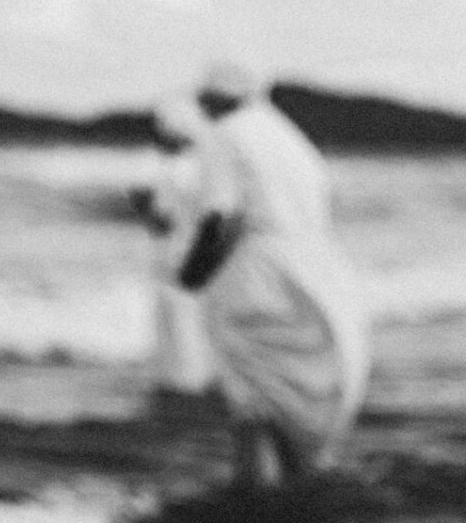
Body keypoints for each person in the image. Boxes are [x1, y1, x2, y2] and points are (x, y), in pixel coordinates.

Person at [175, 61, 369, 488]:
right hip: (319, 273)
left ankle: (255, 505)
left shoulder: (224, 135)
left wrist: (190, 276)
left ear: (217, 98)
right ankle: (296, 498)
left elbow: (218, 218)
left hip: (258, 274)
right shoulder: (290, 137)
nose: (200, 106)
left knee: (254, 402)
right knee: (295, 394)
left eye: (203, 97)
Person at [131, 95, 216, 397]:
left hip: (171, 254)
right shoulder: (205, 168)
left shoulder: (170, 169)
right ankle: (201, 379)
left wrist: (141, 206)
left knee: (175, 324)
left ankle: (182, 384)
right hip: (201, 255)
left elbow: (160, 220)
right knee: (197, 322)